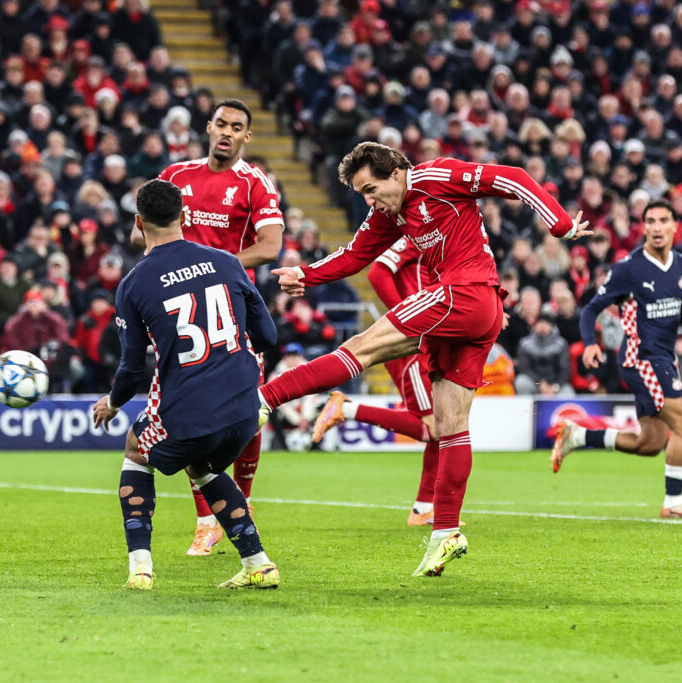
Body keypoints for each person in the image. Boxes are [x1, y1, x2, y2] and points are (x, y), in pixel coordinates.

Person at [266, 141, 591, 576]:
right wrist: (305, 273)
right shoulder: (388, 213)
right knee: (448, 425)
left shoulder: (438, 176)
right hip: (480, 312)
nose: (369, 199)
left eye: (372, 188)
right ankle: (445, 534)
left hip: (464, 294)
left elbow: (511, 177)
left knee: (362, 346)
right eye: (361, 192)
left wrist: (560, 224)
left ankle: (264, 399)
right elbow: (356, 255)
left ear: (397, 171)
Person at [92, 179, 279, 590]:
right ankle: (258, 563)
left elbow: (132, 368)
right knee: (205, 466)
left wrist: (112, 401)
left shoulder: (134, 283)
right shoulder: (228, 262)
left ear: (139, 223)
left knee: (136, 448)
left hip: (191, 409)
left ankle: (140, 567)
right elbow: (268, 336)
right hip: (246, 409)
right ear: (185, 217)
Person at [143, 98, 286, 557]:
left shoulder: (254, 184)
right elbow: (139, 230)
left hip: (232, 313)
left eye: (237, 127)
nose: (226, 132)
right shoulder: (175, 176)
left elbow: (270, 246)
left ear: (247, 137)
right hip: (180, 314)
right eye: (221, 123)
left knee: (245, 414)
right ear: (207, 127)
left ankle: (239, 502)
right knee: (188, 412)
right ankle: (207, 519)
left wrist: (213, 268)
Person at [551, 200, 682, 519]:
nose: (656, 227)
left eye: (663, 220)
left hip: (663, 357)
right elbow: (591, 309)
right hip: (642, 358)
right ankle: (673, 503)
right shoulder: (628, 269)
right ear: (643, 227)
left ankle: (577, 435)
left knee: (650, 443)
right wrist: (590, 344)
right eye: (650, 221)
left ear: (675, 226)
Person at [310, 237, 445, 527]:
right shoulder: (419, 234)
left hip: (427, 344)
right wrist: (410, 321)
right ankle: (347, 409)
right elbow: (378, 271)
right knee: (436, 428)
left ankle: (423, 508)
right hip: (412, 347)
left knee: (439, 428)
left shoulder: (444, 238)